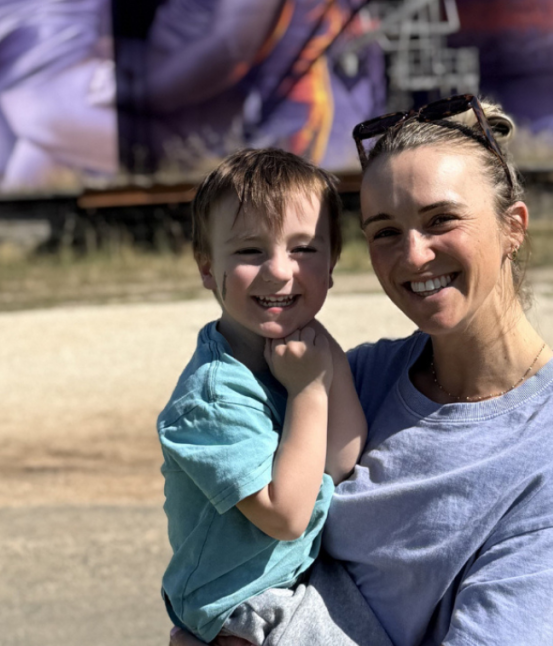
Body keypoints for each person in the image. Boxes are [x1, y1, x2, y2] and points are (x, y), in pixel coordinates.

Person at [171, 95, 553, 646]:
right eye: (385, 231)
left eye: (441, 220)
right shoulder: (358, 376)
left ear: (513, 227)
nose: (413, 255)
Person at [158, 149, 393, 645]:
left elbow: (340, 459)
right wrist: (308, 390)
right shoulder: (212, 398)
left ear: (331, 264)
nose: (279, 271)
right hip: (236, 605)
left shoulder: (307, 350)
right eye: (250, 251)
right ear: (207, 266)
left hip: (292, 580)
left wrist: (324, 363)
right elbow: (286, 515)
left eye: (303, 249)